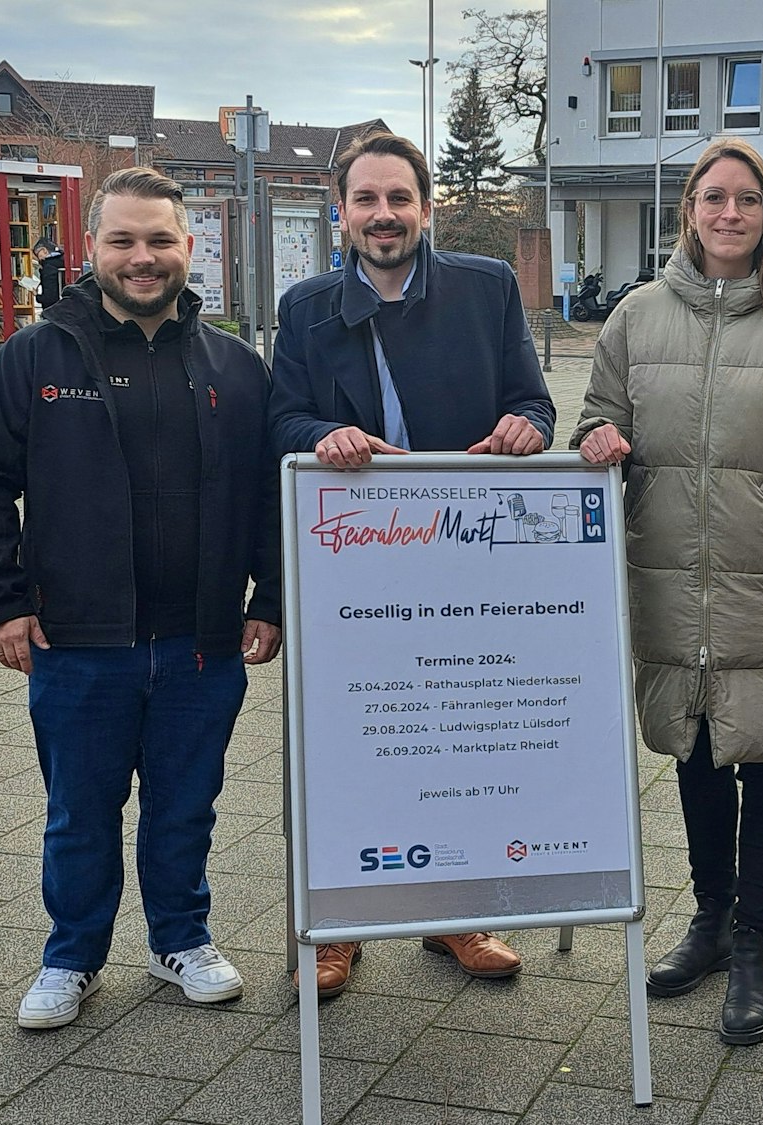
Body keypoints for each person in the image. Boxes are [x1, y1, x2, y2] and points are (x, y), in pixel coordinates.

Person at [0, 167, 283, 1030]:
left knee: (185, 806)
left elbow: (268, 495)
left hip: (201, 641)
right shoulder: (35, 355)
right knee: (80, 813)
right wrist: (1, 600)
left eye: (160, 240)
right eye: (124, 240)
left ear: (188, 247)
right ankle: (71, 954)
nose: (143, 258)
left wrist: (271, 597)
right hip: (76, 640)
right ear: (92, 247)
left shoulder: (237, 369)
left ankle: (181, 939)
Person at [575, 138, 763, 1046]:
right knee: (695, 753)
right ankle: (709, 921)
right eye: (714, 198)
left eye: (748, 199)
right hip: (669, 576)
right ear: (690, 211)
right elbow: (600, 417)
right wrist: (596, 439)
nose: (730, 214)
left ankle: (754, 943)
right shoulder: (635, 318)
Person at [268, 131, 553, 995]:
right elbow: (279, 422)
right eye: (366, 200)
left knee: (454, 741)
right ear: (342, 211)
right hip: (350, 569)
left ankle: (455, 911)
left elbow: (532, 400)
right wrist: (324, 434)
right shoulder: (305, 307)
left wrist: (527, 428)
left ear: (425, 208)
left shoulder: (486, 288)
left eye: (399, 198)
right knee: (346, 741)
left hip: (462, 567)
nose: (383, 215)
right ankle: (338, 926)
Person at [31, 237, 65, 309]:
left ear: (44, 250)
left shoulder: (48, 267)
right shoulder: (63, 260)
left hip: (54, 310)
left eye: (38, 255)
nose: (40, 259)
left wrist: (37, 296)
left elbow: (49, 297)